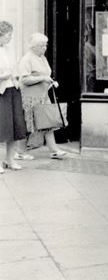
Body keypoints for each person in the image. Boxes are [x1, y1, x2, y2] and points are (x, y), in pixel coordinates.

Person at [18, 33, 67, 159]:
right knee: (28, 125)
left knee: (47, 122)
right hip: (30, 98)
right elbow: (24, 79)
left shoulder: (42, 58)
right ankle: (20, 152)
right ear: (33, 47)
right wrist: (43, 78)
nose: (44, 48)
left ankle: (53, 150)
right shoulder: (27, 59)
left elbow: (46, 74)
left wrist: (50, 80)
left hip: (43, 96)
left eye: (45, 45)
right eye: (41, 45)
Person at [0, 21, 28, 172]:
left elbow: (14, 68)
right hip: (1, 92)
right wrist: (3, 76)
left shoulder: (8, 49)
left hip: (12, 90)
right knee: (1, 127)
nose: (11, 37)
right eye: (9, 34)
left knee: (14, 127)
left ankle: (9, 159)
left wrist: (16, 80)